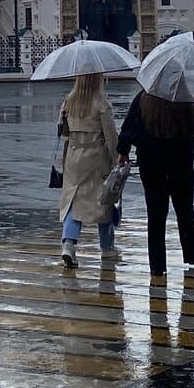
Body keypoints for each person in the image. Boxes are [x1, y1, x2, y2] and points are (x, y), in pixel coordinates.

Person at [117, 91, 194, 278]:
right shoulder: (184, 99)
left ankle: (157, 265)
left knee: (155, 214)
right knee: (184, 208)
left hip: (150, 164)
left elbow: (128, 129)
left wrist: (123, 150)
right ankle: (192, 251)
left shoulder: (143, 99)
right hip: (181, 163)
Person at [57, 72, 119, 268]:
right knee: (104, 200)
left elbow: (63, 131)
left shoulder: (69, 101)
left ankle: (68, 244)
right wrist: (117, 160)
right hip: (96, 158)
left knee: (72, 202)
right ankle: (107, 247)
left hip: (73, 157)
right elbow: (111, 137)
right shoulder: (102, 104)